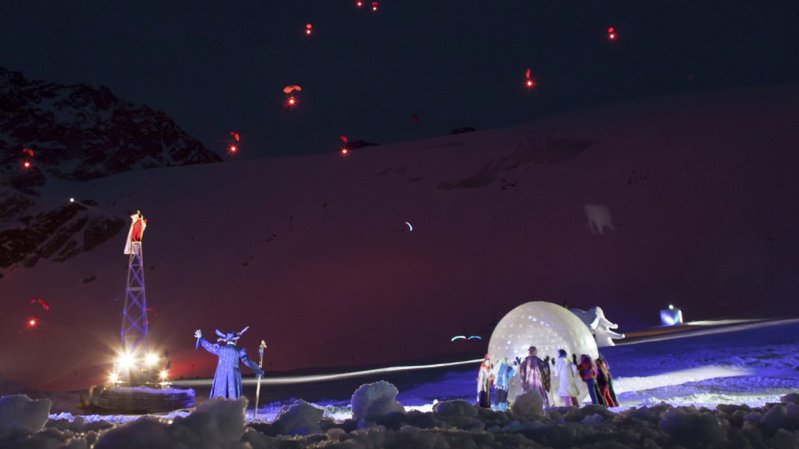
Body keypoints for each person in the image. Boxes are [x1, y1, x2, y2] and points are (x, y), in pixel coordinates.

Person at [195, 327, 264, 399]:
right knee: (232, 395)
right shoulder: (239, 350)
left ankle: (218, 408)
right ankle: (232, 408)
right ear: (235, 340)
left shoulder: (220, 349)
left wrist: (201, 338)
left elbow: (209, 346)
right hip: (233, 377)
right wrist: (258, 369)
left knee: (220, 395)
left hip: (220, 376)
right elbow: (248, 361)